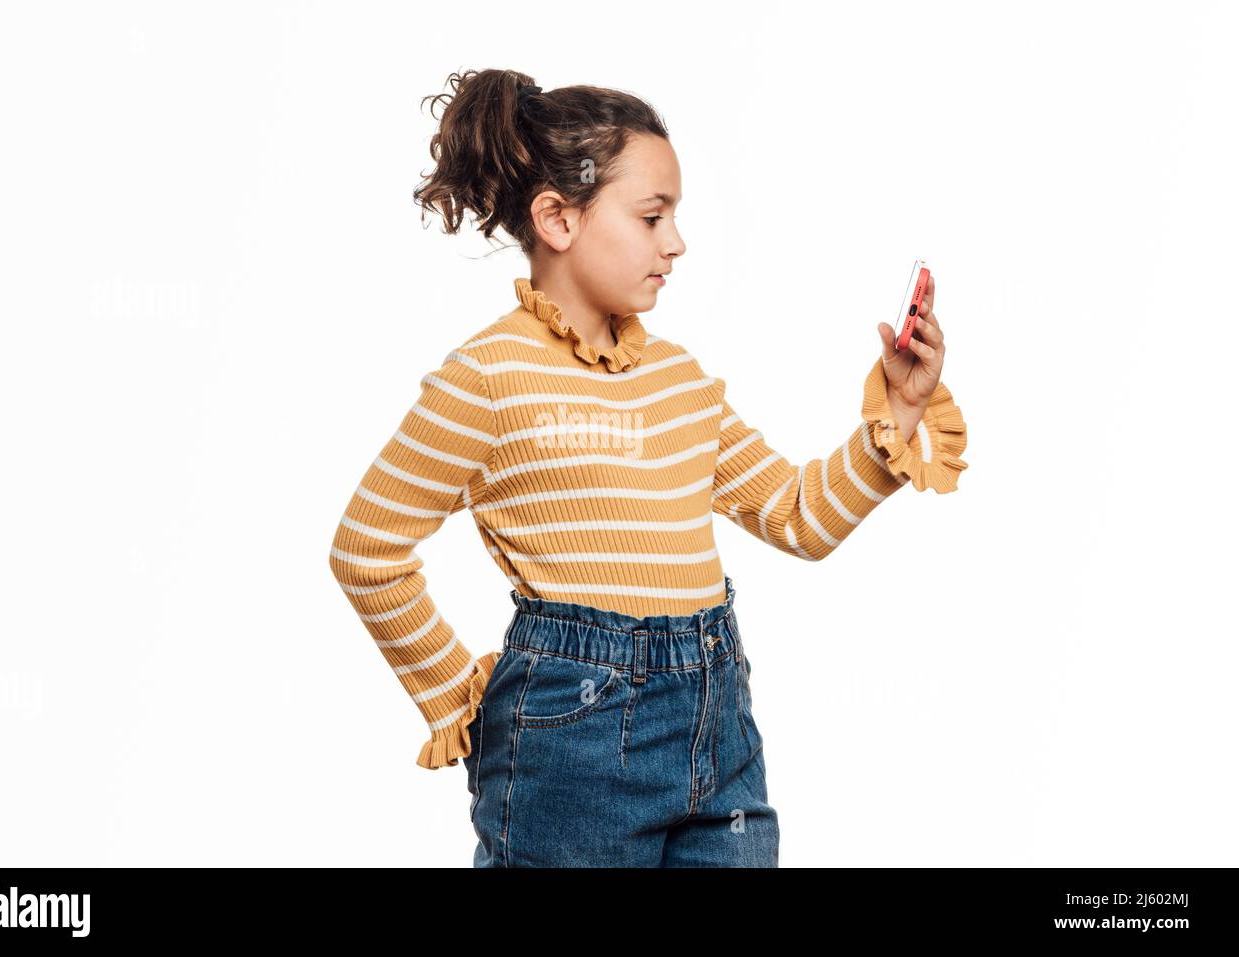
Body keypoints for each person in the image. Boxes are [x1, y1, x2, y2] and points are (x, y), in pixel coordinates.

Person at [328, 69, 969, 867]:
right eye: (652, 216)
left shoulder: (680, 382)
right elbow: (366, 546)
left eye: (676, 217)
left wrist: (899, 416)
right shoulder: (489, 375)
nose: (677, 242)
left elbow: (800, 515)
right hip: (572, 743)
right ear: (559, 219)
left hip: (717, 730)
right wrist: (467, 698)